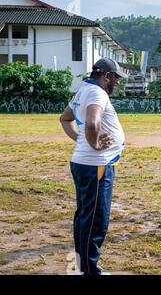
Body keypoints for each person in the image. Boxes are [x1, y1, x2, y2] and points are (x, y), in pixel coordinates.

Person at [59, 58, 128, 275]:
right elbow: (92, 122)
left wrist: (82, 141)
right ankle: (89, 271)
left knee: (84, 216)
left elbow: (65, 118)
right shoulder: (98, 93)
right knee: (96, 221)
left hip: (84, 163)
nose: (116, 82)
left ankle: (83, 267)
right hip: (96, 165)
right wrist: (94, 143)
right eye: (115, 78)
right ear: (106, 76)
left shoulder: (83, 90)